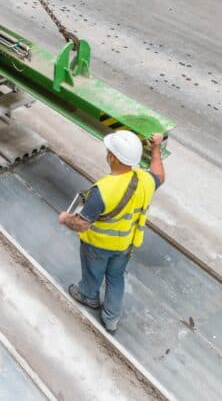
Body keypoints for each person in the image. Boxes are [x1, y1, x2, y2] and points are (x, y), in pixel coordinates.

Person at [58, 131, 165, 333]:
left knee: (93, 273)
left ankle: (88, 296)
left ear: (112, 157)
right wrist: (156, 148)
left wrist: (64, 218)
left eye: (109, 151)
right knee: (116, 279)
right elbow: (159, 175)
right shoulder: (145, 180)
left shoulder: (102, 190)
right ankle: (111, 319)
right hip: (125, 245)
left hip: (98, 245)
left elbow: (82, 224)